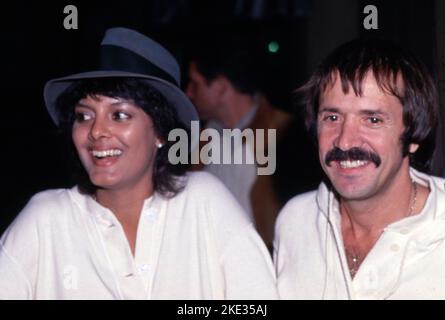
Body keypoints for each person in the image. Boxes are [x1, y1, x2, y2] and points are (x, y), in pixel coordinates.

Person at [0, 27, 278, 299]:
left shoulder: (202, 201)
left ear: (160, 131)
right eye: (84, 116)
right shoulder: (46, 219)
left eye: (119, 115)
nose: (96, 131)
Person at [274, 38, 444, 299]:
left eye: (372, 120)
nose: (345, 140)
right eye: (332, 118)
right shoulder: (296, 221)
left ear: (413, 137)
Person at [186, 36, 293, 250]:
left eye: (195, 84)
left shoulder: (288, 135)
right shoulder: (198, 138)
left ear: (222, 88)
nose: (188, 92)